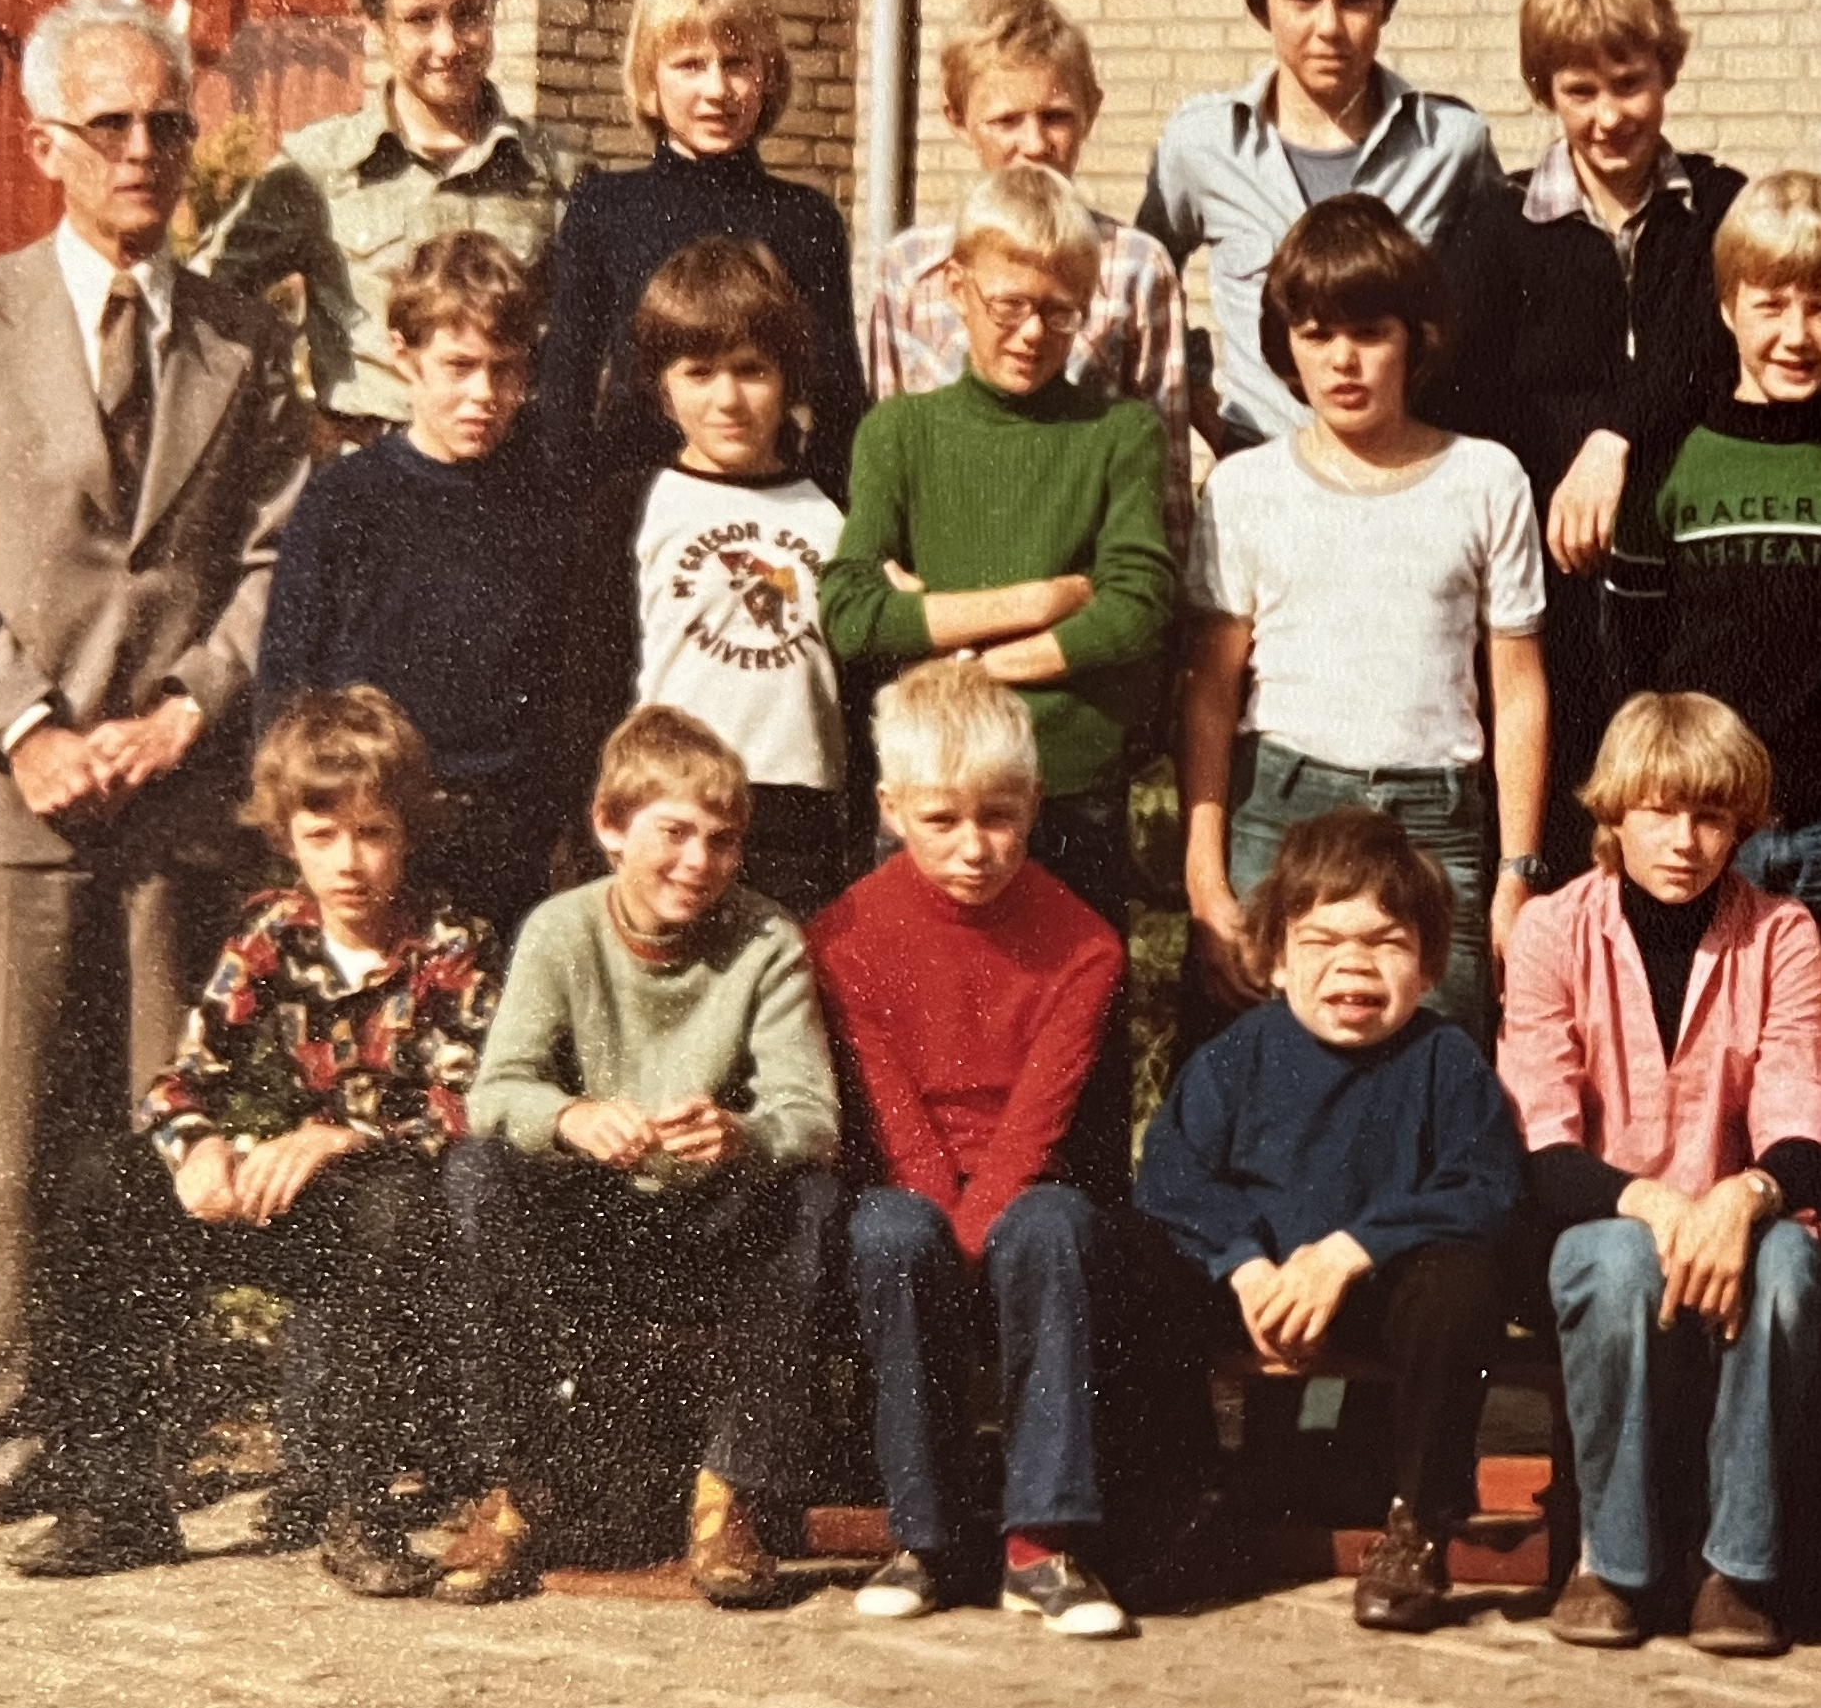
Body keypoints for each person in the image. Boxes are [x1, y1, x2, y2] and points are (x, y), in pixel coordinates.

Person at [0, 0, 312, 1575]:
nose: (145, 151)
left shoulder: (241, 338)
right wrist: (28, 729)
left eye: (169, 125)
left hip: (171, 799)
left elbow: (277, 557)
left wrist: (192, 712)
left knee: (153, 1135)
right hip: (13, 798)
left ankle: (131, 1440)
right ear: (45, 138)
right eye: (112, 124)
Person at [443, 706, 842, 1608]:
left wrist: (745, 1133)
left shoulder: (767, 940)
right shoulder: (560, 929)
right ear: (611, 828)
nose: (699, 862)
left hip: (711, 1214)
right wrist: (571, 1116)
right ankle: (513, 1487)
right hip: (591, 1208)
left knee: (811, 1194)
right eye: (675, 833)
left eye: (724, 841)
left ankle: (728, 1493)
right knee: (475, 1173)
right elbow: (494, 1093)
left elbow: (810, 1113)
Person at [139, 689, 501, 1599]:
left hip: (393, 1199)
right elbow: (180, 1079)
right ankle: (115, 1495)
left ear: (408, 833)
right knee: (108, 1180)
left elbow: (475, 1097)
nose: (349, 863)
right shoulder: (272, 934)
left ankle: (358, 1509)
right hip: (291, 1193)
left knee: (389, 1203)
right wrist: (198, 1149)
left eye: (373, 833)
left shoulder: (451, 943)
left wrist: (340, 1135)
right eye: (322, 836)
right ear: (286, 837)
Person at [1135, 805, 1526, 1635]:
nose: (1354, 964)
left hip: (1384, 1296)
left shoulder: (1444, 1060)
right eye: (1321, 942)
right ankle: (1186, 1500)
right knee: (1140, 1264)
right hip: (1258, 1288)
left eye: (1386, 943)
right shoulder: (1239, 1055)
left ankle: (1419, 1525)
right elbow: (1171, 1174)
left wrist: (1351, 1252)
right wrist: (1244, 1264)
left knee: (1461, 1283)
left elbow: (1486, 1185)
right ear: (1274, 960)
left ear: (1426, 969)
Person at [1501, 695, 1821, 1658]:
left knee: (1786, 1270)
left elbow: (1798, 1121)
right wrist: (1654, 1203)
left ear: (1741, 824)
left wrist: (1742, 1197)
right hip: (1598, 1225)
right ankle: (1612, 1561)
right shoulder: (1552, 932)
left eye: (1711, 816)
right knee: (1616, 1262)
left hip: (1740, 1227)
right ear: (1613, 814)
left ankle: (1736, 1568)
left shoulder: (1782, 935)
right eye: (1658, 812)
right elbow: (1543, 1142)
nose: (1684, 841)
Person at [812, 661, 1140, 1636]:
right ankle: (927, 1534)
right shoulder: (845, 935)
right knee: (890, 1239)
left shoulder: (1082, 945)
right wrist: (948, 1225)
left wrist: (982, 1218)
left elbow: (1041, 1114)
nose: (973, 848)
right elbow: (889, 1109)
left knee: (1054, 1231)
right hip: (905, 1182)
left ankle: (1042, 1542)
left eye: (998, 816)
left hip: (1021, 1174)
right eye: (942, 819)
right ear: (890, 808)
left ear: (1035, 803)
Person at [1180, 197, 1547, 1041]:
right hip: (1280, 808)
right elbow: (1207, 694)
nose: (1342, 361)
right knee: (1264, 1075)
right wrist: (1206, 876)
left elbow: (1518, 691)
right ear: (1285, 345)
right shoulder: (1245, 488)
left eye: (1370, 332)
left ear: (1414, 336)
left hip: (1432, 818)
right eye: (1315, 334)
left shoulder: (1486, 479)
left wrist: (1515, 875)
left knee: (1440, 1075)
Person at [1438, 0, 1749, 874]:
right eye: (1581, 91)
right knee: (1562, 821)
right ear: (1545, 91)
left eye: (1631, 83)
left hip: (1691, 573)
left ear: (1668, 72)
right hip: (1548, 577)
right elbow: (1461, 392)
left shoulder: (1720, 209)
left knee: (1680, 820)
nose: (1609, 116)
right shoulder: (1497, 226)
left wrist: (1614, 437)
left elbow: (1712, 348)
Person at [822, 162, 1174, 949]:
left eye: (1059, 313)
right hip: (937, 792)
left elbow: (1138, 607)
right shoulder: (900, 434)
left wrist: (964, 661)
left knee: (1074, 1024)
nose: (1029, 335)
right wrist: (1042, 602)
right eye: (1008, 304)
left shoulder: (1119, 436)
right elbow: (849, 612)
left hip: (1068, 781)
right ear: (955, 286)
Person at [1612, 167, 1821, 914]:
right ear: (1729, 307)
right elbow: (1634, 661)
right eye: (1769, 306)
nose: (1795, 336)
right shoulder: (1669, 462)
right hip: (1705, 827)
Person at [256, 231, 598, 945]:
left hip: (507, 845)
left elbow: (572, 691)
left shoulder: (548, 507)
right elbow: (287, 682)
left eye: (506, 371)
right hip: (371, 837)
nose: (484, 395)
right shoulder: (345, 502)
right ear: (403, 356)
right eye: (459, 366)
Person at [1140, 0, 1502, 450]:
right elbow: (1146, 276)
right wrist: (1200, 388)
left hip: (1402, 477)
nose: (1330, 27)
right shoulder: (1202, 143)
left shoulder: (1451, 143)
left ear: (1385, 2)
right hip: (1258, 468)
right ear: (1263, 1)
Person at [201, 0, 577, 435]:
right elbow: (206, 298)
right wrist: (287, 421)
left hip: (506, 481)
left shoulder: (552, 171)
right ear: (376, 23)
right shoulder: (318, 169)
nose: (448, 45)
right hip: (368, 478)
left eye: (469, 14)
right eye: (420, 18)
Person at [860, 0, 1194, 552]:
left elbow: (1166, 481)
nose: (1034, 143)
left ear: (1091, 111)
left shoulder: (1137, 266)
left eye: (1056, 117)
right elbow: (889, 458)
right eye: (1006, 120)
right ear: (958, 119)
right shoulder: (911, 270)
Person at [533, 0, 871, 496]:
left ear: (768, 76)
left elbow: (839, 405)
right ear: (650, 79)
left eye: (737, 63)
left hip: (767, 502)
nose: (717, 89)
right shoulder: (604, 209)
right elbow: (565, 394)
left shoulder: (805, 219)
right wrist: (582, 523)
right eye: (690, 65)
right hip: (634, 504)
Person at [607, 239, 854, 918]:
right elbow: (591, 683)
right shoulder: (633, 503)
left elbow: (855, 692)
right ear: (663, 387)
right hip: (666, 808)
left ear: (788, 378)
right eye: (699, 372)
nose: (728, 399)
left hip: (795, 815)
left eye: (751, 370)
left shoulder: (831, 509)